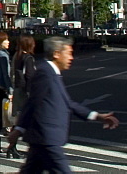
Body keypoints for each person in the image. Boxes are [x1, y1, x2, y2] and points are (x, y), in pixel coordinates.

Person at [8, 37, 119, 173]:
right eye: (68, 53)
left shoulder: (52, 73)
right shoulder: (45, 73)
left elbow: (68, 103)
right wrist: (19, 129)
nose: (71, 57)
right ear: (56, 54)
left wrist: (97, 116)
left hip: (43, 139)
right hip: (47, 138)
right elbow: (33, 102)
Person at [12, 35, 37, 119]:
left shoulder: (16, 56)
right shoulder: (28, 58)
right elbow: (29, 76)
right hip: (25, 90)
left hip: (17, 88)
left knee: (19, 115)